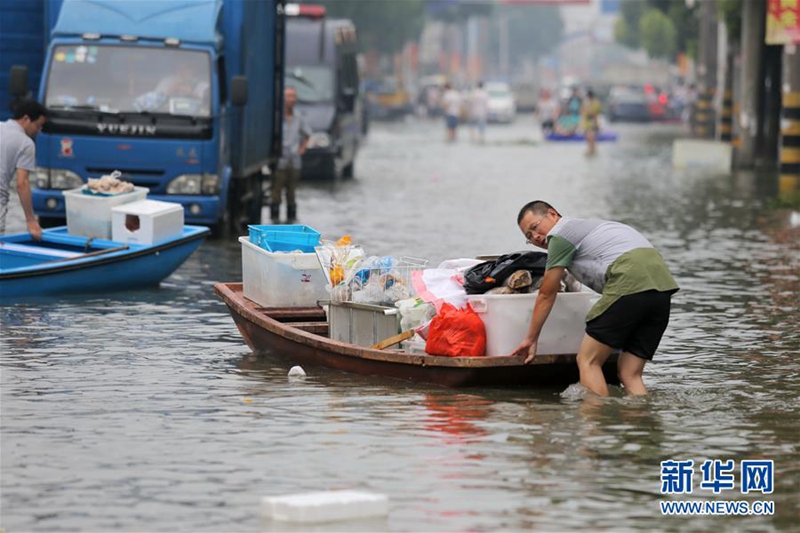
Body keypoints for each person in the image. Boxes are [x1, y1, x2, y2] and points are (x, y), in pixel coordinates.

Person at [512, 201, 679, 397]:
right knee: (629, 373)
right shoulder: (589, 229)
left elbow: (547, 293)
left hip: (630, 282)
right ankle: (640, 424)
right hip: (661, 290)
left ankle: (597, 421)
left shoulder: (560, 234)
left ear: (552, 214)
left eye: (535, 227)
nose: (536, 237)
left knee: (588, 361)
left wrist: (531, 338)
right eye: (529, 237)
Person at [1, 99, 46, 240]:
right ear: (26, 119)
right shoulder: (26, 144)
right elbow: (22, 184)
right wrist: (31, 221)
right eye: (38, 126)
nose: (39, 131)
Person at [272, 86, 310, 223]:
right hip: (280, 160)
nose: (290, 99)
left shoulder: (299, 117)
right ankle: (274, 220)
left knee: (292, 194)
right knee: (275, 193)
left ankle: (291, 220)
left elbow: (307, 134)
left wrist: (302, 149)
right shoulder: (276, 116)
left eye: (293, 96)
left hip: (294, 160)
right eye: (288, 96)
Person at [581, 89, 602, 156]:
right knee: (588, 137)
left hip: (593, 121)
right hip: (587, 122)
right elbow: (583, 111)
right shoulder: (587, 102)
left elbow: (594, 113)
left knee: (592, 137)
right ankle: (590, 150)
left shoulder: (596, 103)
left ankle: (593, 150)